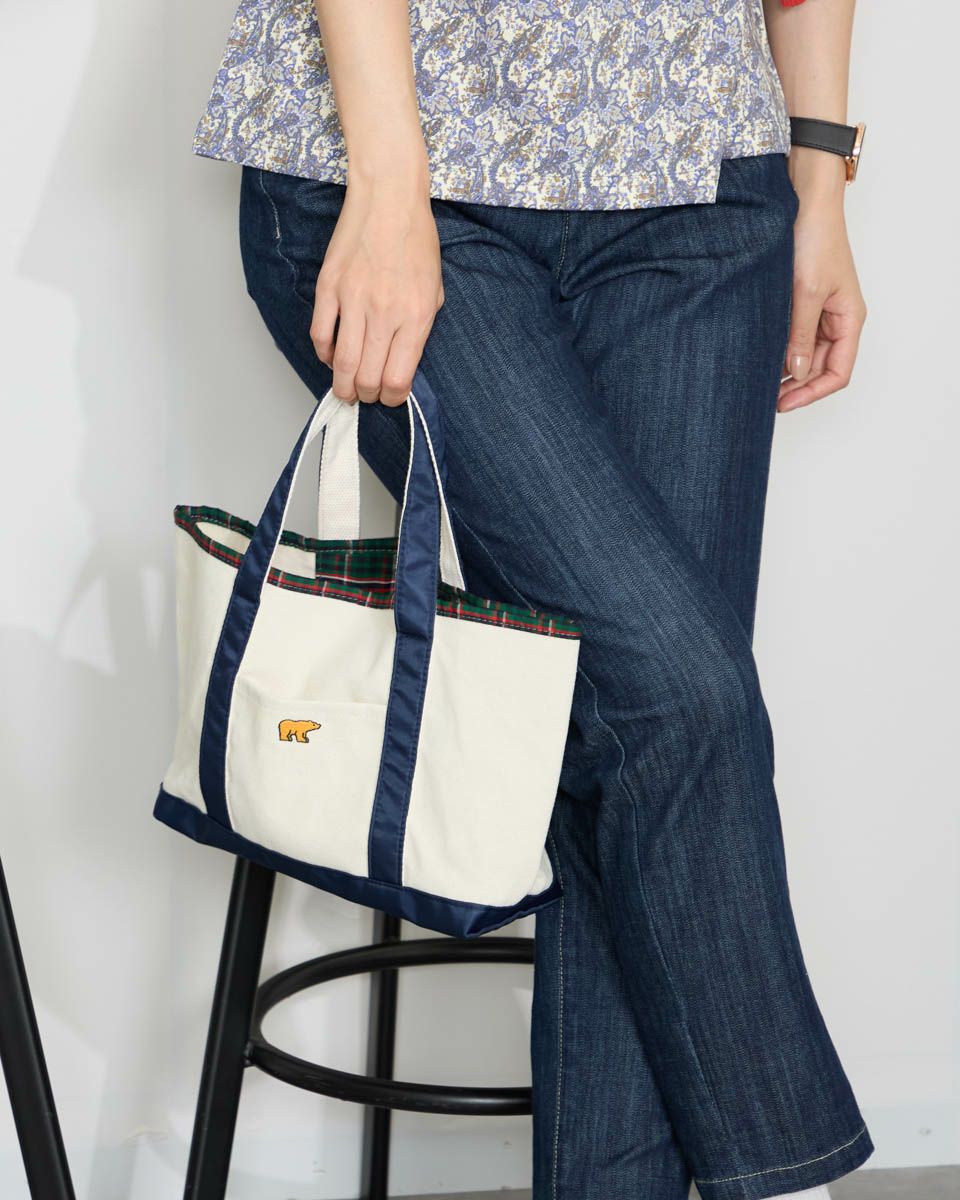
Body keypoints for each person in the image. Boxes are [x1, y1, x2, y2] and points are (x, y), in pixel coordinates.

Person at [193, 2, 873, 1197]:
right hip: (402, 171)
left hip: (699, 168)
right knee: (676, 701)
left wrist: (819, 183)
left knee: (648, 757)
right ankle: (794, 1173)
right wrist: (389, 186)